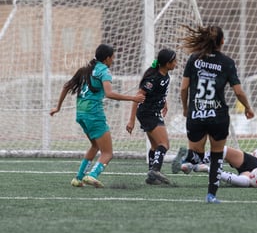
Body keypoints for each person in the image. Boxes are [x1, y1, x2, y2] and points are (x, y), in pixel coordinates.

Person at [50, 44, 145, 188]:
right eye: (112, 57)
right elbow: (109, 94)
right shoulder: (104, 71)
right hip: (94, 114)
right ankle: (92, 176)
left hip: (81, 113)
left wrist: (58, 107)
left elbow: (66, 86)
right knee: (107, 153)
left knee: (95, 145)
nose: (113, 60)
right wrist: (133, 98)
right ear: (107, 58)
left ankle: (78, 178)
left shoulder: (85, 70)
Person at [178, 25, 255, 203]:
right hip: (218, 116)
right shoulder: (227, 62)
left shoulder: (193, 59)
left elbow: (183, 88)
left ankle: (190, 160)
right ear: (222, 41)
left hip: (196, 114)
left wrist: (185, 108)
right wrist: (248, 107)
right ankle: (211, 195)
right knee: (216, 155)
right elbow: (238, 92)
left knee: (196, 150)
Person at [126, 48, 177, 185]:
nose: (176, 63)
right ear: (167, 63)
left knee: (155, 146)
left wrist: (164, 102)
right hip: (148, 113)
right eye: (174, 61)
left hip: (151, 112)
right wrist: (131, 120)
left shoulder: (165, 76)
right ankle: (155, 169)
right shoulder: (153, 78)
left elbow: (159, 92)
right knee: (164, 144)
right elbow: (138, 97)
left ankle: (151, 178)